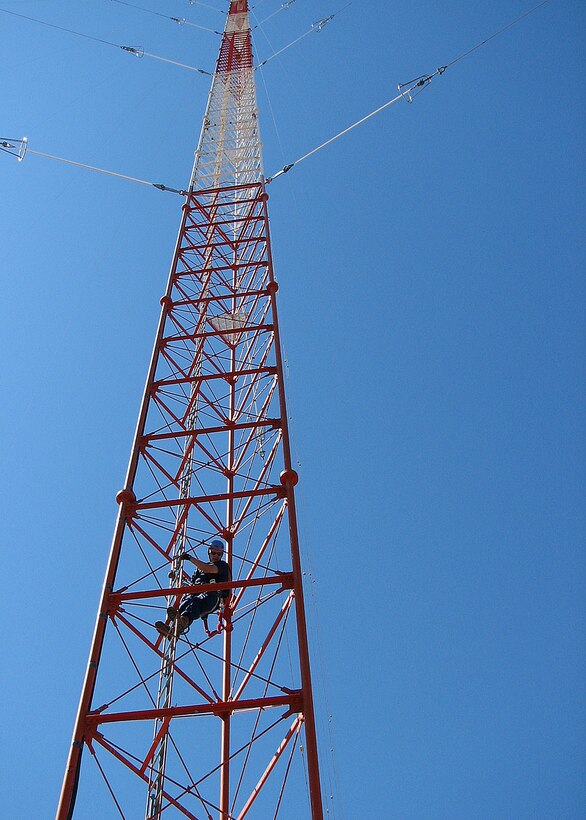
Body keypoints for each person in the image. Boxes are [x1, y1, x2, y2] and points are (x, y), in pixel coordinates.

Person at [155, 540, 231, 638]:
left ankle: (182, 623)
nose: (216, 556)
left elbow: (208, 569)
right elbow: (193, 583)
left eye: (219, 554)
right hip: (198, 594)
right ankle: (173, 630)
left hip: (212, 596)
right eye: (213, 553)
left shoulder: (222, 566)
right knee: (184, 604)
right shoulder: (199, 570)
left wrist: (189, 558)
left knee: (195, 602)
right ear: (209, 552)